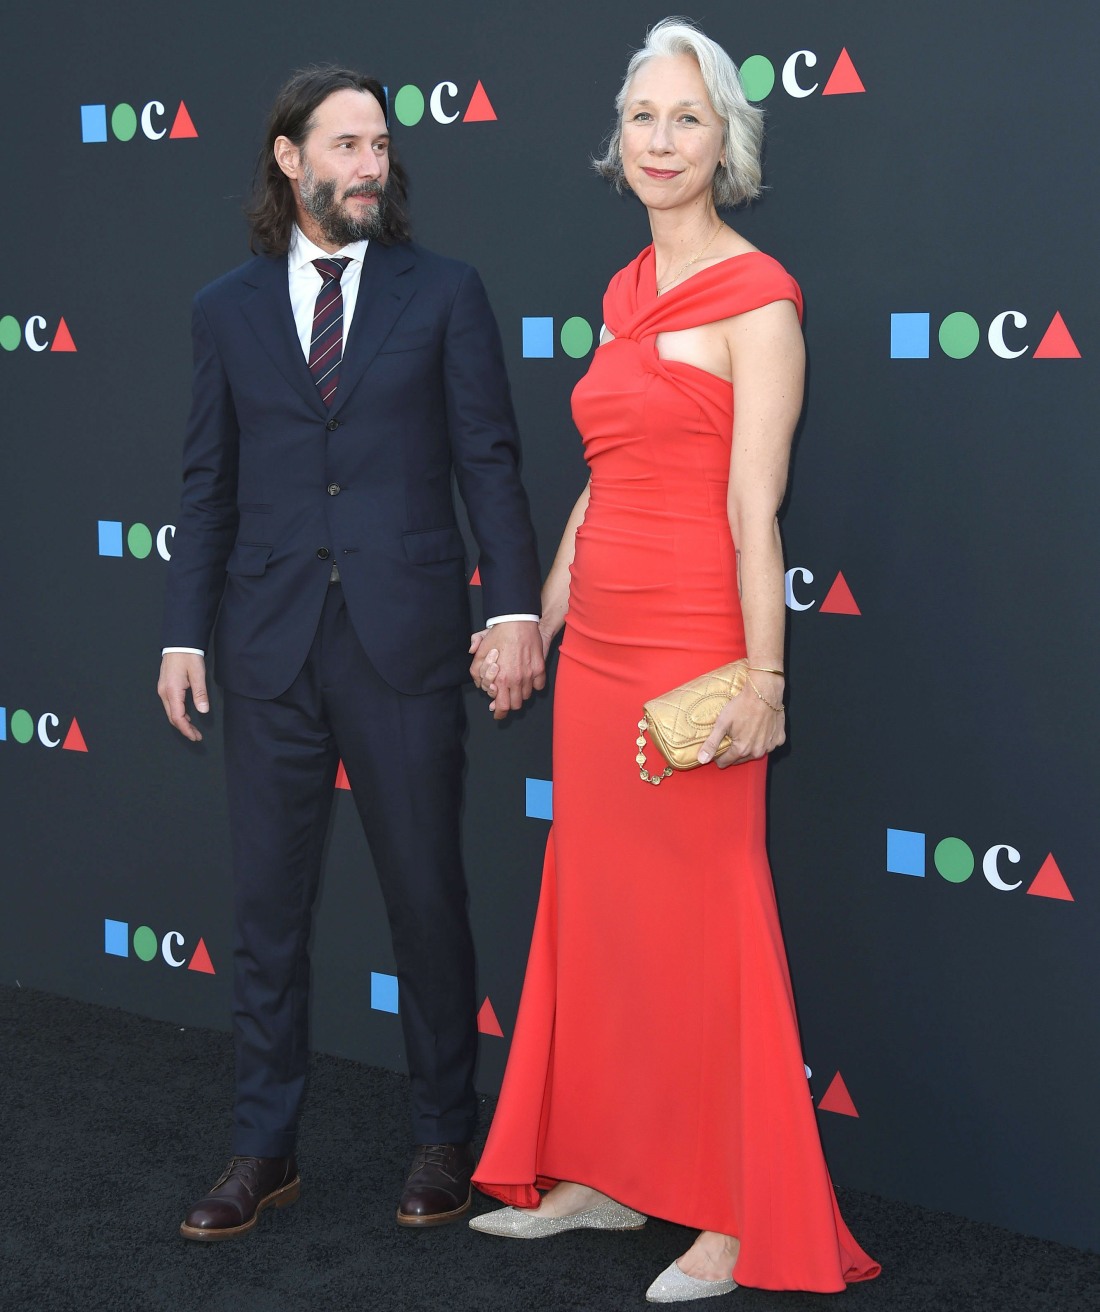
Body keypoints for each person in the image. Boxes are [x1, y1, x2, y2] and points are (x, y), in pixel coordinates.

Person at [467, 19, 880, 1302]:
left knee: (706, 929)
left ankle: (735, 1213)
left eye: (686, 119)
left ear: (726, 145)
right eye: (642, 117)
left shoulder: (759, 299)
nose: (659, 140)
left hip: (695, 649)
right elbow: (600, 478)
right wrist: (540, 609)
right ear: (619, 141)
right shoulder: (622, 294)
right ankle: (599, 1171)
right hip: (597, 648)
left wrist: (762, 683)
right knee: (599, 918)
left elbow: (755, 509)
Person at [157, 66, 544, 1240]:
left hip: (405, 637)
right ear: (291, 159)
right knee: (267, 914)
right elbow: (206, 482)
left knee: (425, 899)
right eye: (347, 144)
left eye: (381, 144)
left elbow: (489, 460)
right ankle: (260, 1149)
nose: (371, 163)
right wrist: (183, 629)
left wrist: (515, 608)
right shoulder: (223, 307)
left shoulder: (445, 293)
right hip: (267, 644)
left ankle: (443, 1133)